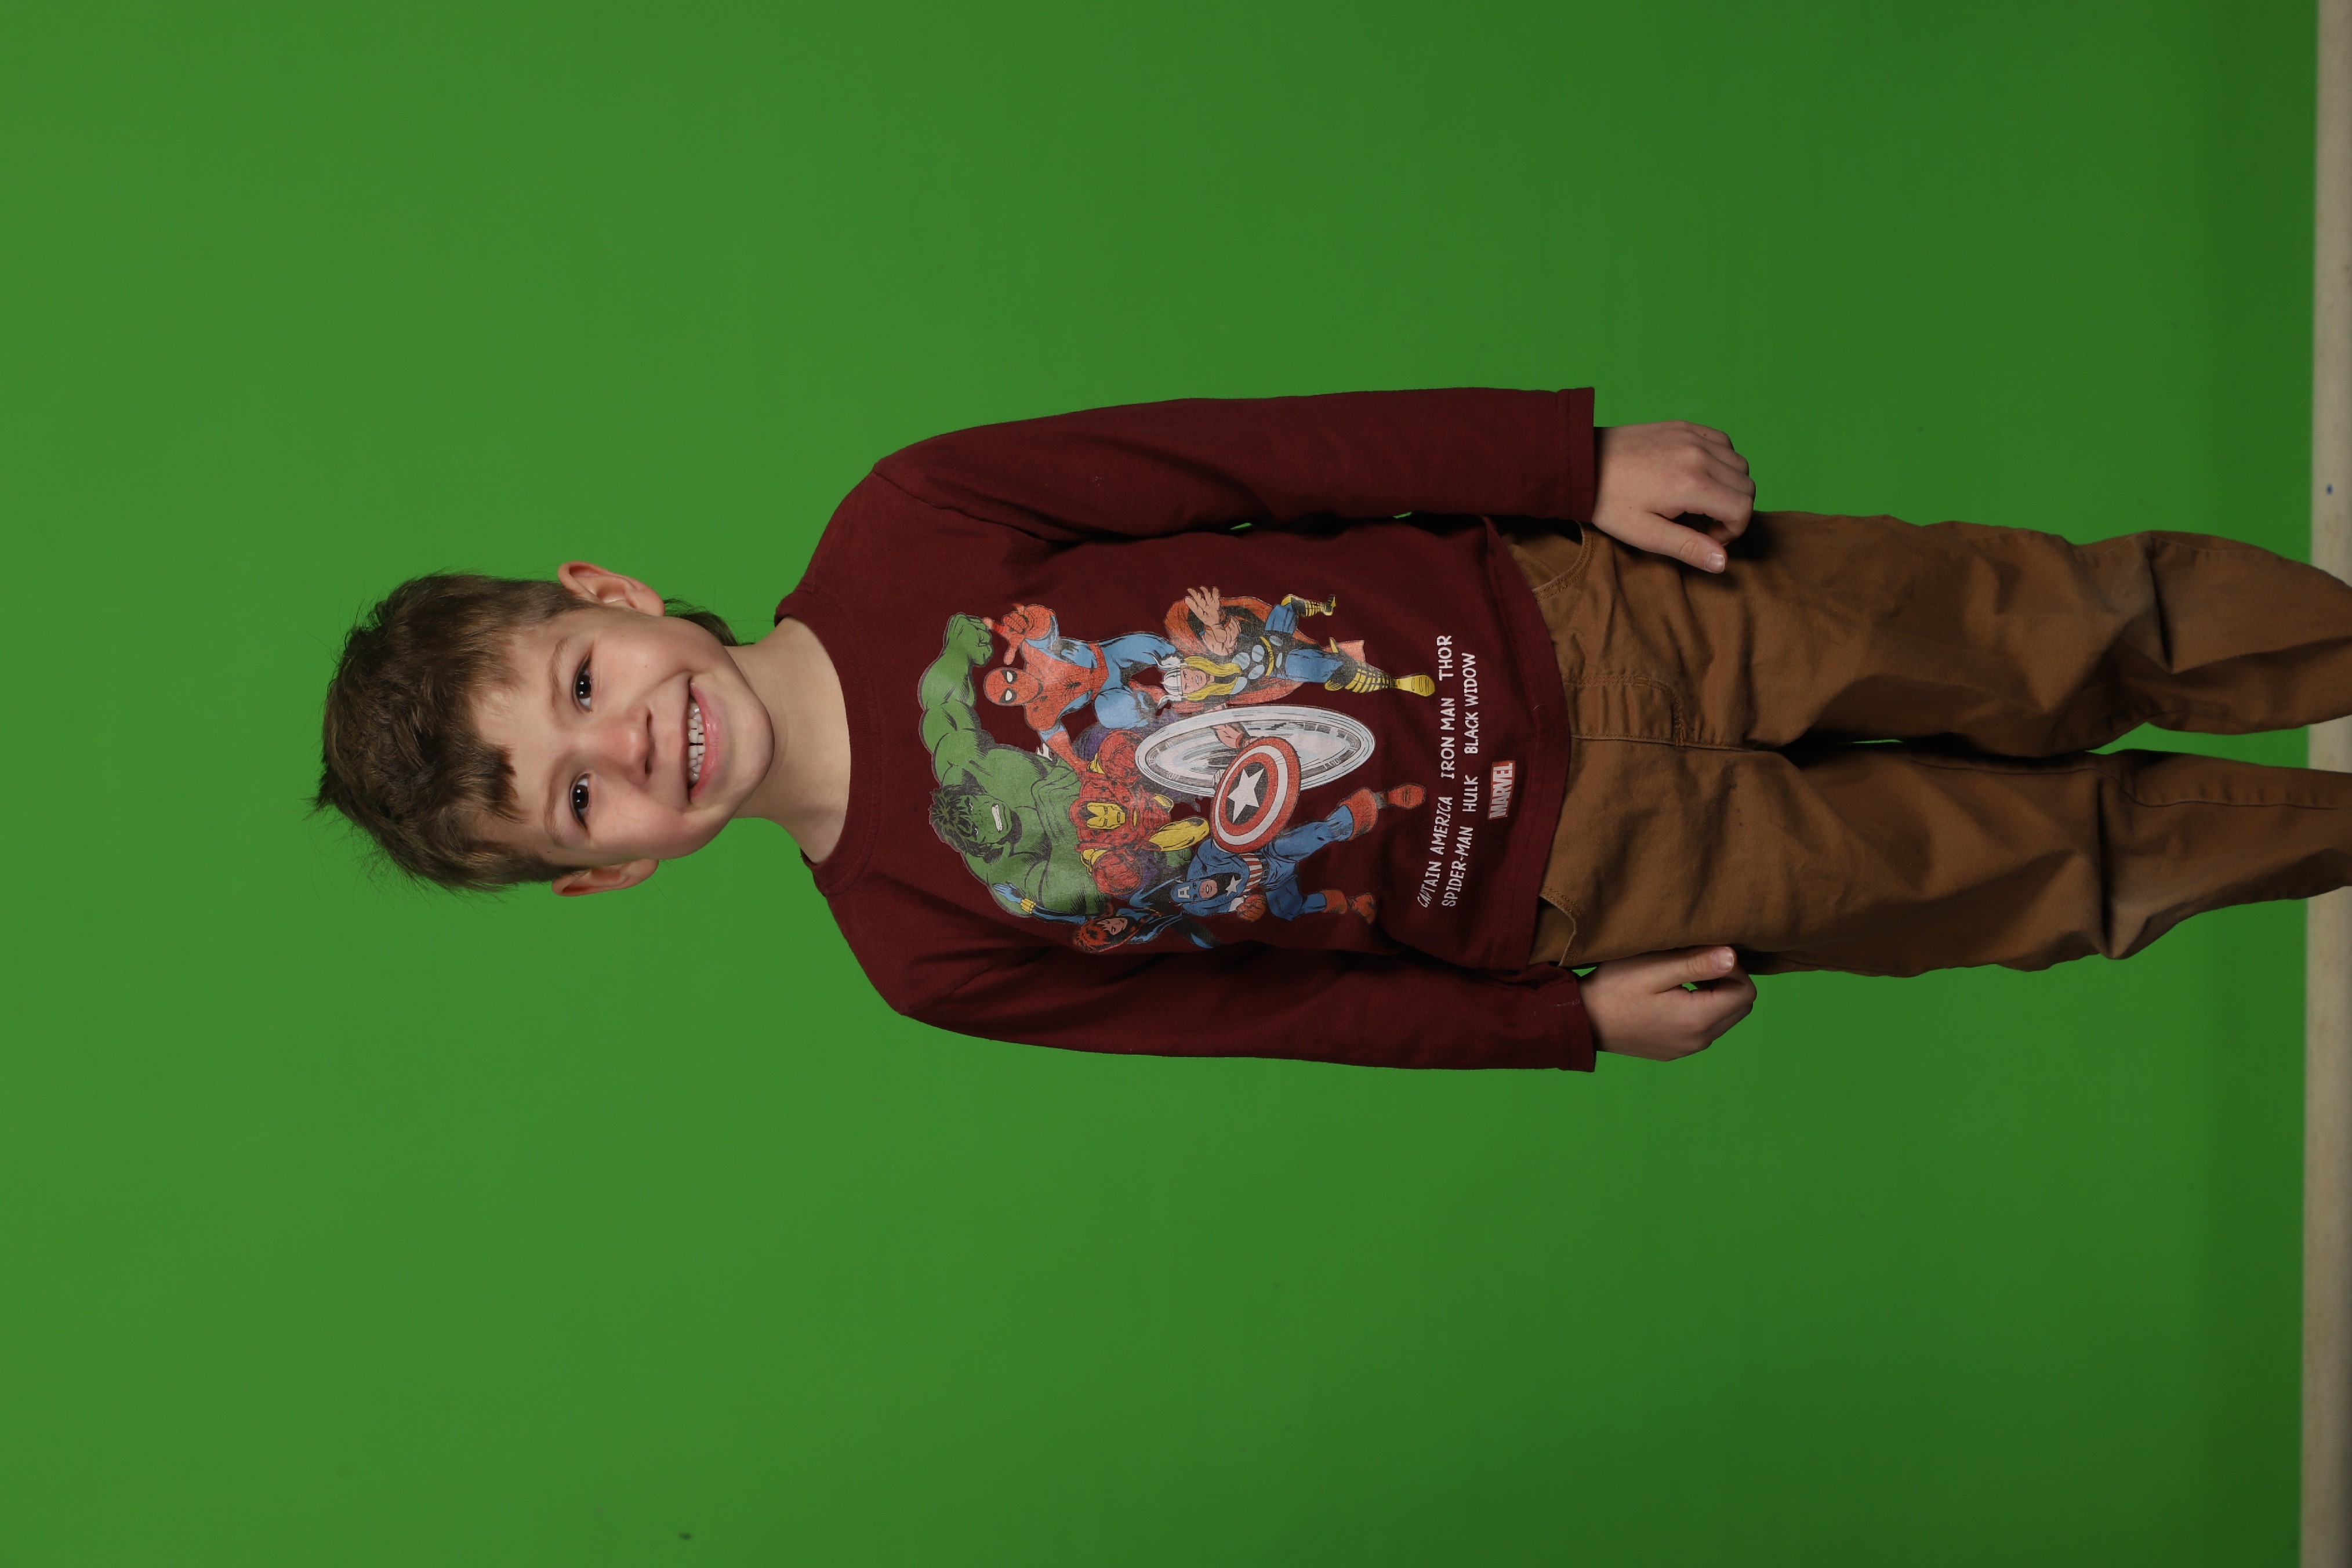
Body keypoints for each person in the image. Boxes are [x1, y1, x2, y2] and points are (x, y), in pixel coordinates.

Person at [315, 389, 2352, 1070]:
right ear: (601, 876)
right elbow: (1280, 1011)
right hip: (1583, 882)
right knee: (2043, 876)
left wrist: (1562, 464)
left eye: (580, 687)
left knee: (2060, 629)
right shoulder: (921, 956)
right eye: (574, 799)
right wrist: (1563, 1025)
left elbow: (1258, 455)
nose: (628, 746)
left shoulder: (911, 517)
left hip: (1592, 620)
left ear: (607, 594)